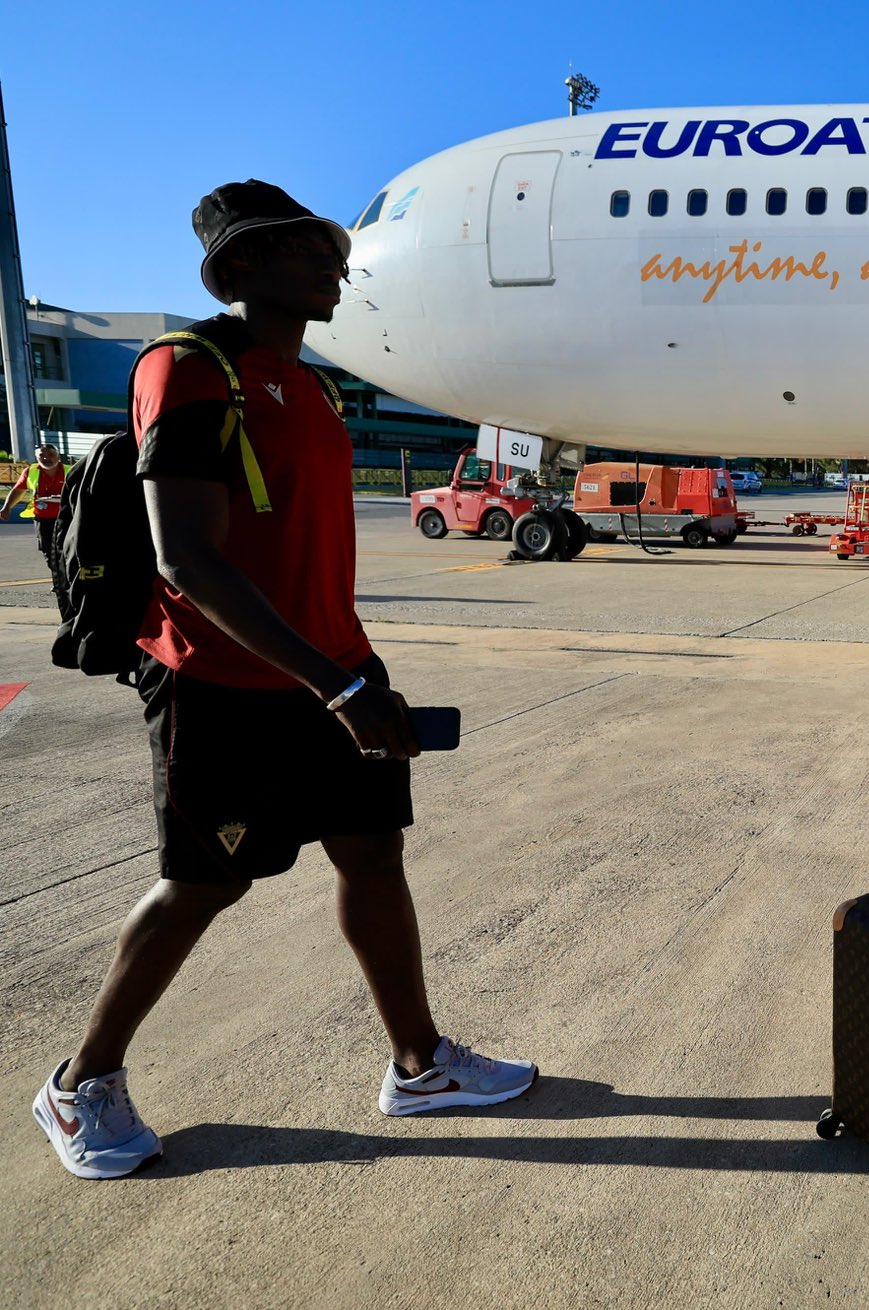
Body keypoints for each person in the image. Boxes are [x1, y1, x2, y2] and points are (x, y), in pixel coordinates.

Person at [30, 181, 535, 1182]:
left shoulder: (310, 383)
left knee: (372, 854)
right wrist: (337, 691)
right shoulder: (188, 368)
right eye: (310, 249)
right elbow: (186, 556)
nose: (333, 264)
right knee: (202, 882)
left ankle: (419, 1061)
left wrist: (347, 677)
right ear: (242, 266)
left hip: (330, 666)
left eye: (331, 251)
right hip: (223, 681)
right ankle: (79, 1081)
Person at [3, 443, 70, 613]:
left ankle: (65, 580)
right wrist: (7, 507)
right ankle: (59, 581)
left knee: (66, 550)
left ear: (58, 455)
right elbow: (18, 490)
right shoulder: (31, 472)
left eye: (50, 454)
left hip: (66, 518)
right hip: (43, 519)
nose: (46, 458)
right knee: (49, 551)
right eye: (42, 456)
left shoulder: (70, 470)